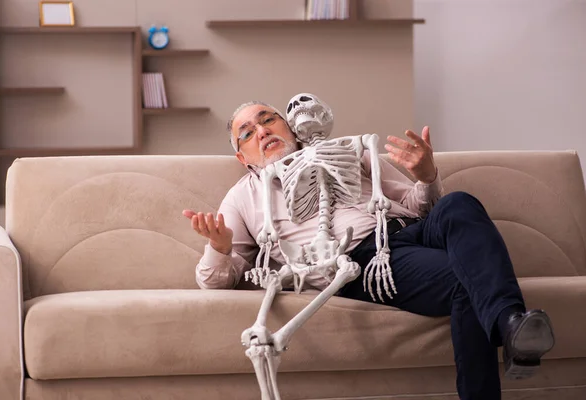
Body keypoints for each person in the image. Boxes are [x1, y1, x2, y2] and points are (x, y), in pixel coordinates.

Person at [183, 100, 555, 400]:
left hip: (413, 229)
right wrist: (219, 247)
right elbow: (213, 280)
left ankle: (511, 327)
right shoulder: (243, 197)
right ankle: (510, 327)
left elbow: (417, 204)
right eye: (248, 133)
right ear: (242, 158)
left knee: (458, 202)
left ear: (288, 126)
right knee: (462, 280)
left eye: (268, 120)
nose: (262, 131)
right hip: (366, 259)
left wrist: (426, 176)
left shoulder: (347, 152)